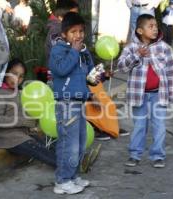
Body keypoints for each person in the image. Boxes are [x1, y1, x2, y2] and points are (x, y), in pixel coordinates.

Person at [117, 14, 173, 168]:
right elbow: (122, 67)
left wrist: (172, 93)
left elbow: (171, 71)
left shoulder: (164, 48)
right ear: (139, 30)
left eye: (156, 26)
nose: (155, 29)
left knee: (159, 125)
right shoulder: (131, 48)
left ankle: (158, 155)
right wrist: (138, 54)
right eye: (150, 26)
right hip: (139, 95)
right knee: (139, 126)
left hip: (159, 94)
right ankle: (134, 155)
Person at [49, 12, 98, 195]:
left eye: (81, 31)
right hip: (66, 103)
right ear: (64, 34)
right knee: (67, 144)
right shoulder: (58, 50)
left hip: (79, 102)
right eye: (73, 31)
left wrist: (96, 78)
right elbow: (61, 70)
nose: (78, 35)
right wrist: (74, 52)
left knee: (79, 142)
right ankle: (62, 180)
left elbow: (88, 76)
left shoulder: (83, 51)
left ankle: (73, 176)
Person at [0, 58, 56, 167]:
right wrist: (24, 121)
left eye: (21, 76)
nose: (17, 79)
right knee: (40, 150)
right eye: (14, 73)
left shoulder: (17, 92)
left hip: (19, 132)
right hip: (3, 136)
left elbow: (21, 111)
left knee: (47, 143)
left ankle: (70, 161)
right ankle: (67, 168)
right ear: (5, 72)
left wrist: (35, 120)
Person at [45, 0, 79, 65]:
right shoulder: (56, 30)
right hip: (59, 71)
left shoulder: (65, 27)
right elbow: (60, 55)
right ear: (60, 18)